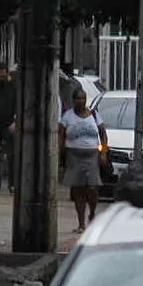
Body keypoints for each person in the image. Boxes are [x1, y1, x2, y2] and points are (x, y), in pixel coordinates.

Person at [57, 87, 107, 233]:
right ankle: (81, 223)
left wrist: (103, 152)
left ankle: (92, 213)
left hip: (91, 156)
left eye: (83, 98)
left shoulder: (94, 115)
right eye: (78, 98)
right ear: (73, 100)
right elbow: (61, 137)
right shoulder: (67, 116)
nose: (81, 101)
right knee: (78, 190)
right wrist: (60, 157)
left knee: (92, 187)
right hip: (74, 156)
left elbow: (103, 134)